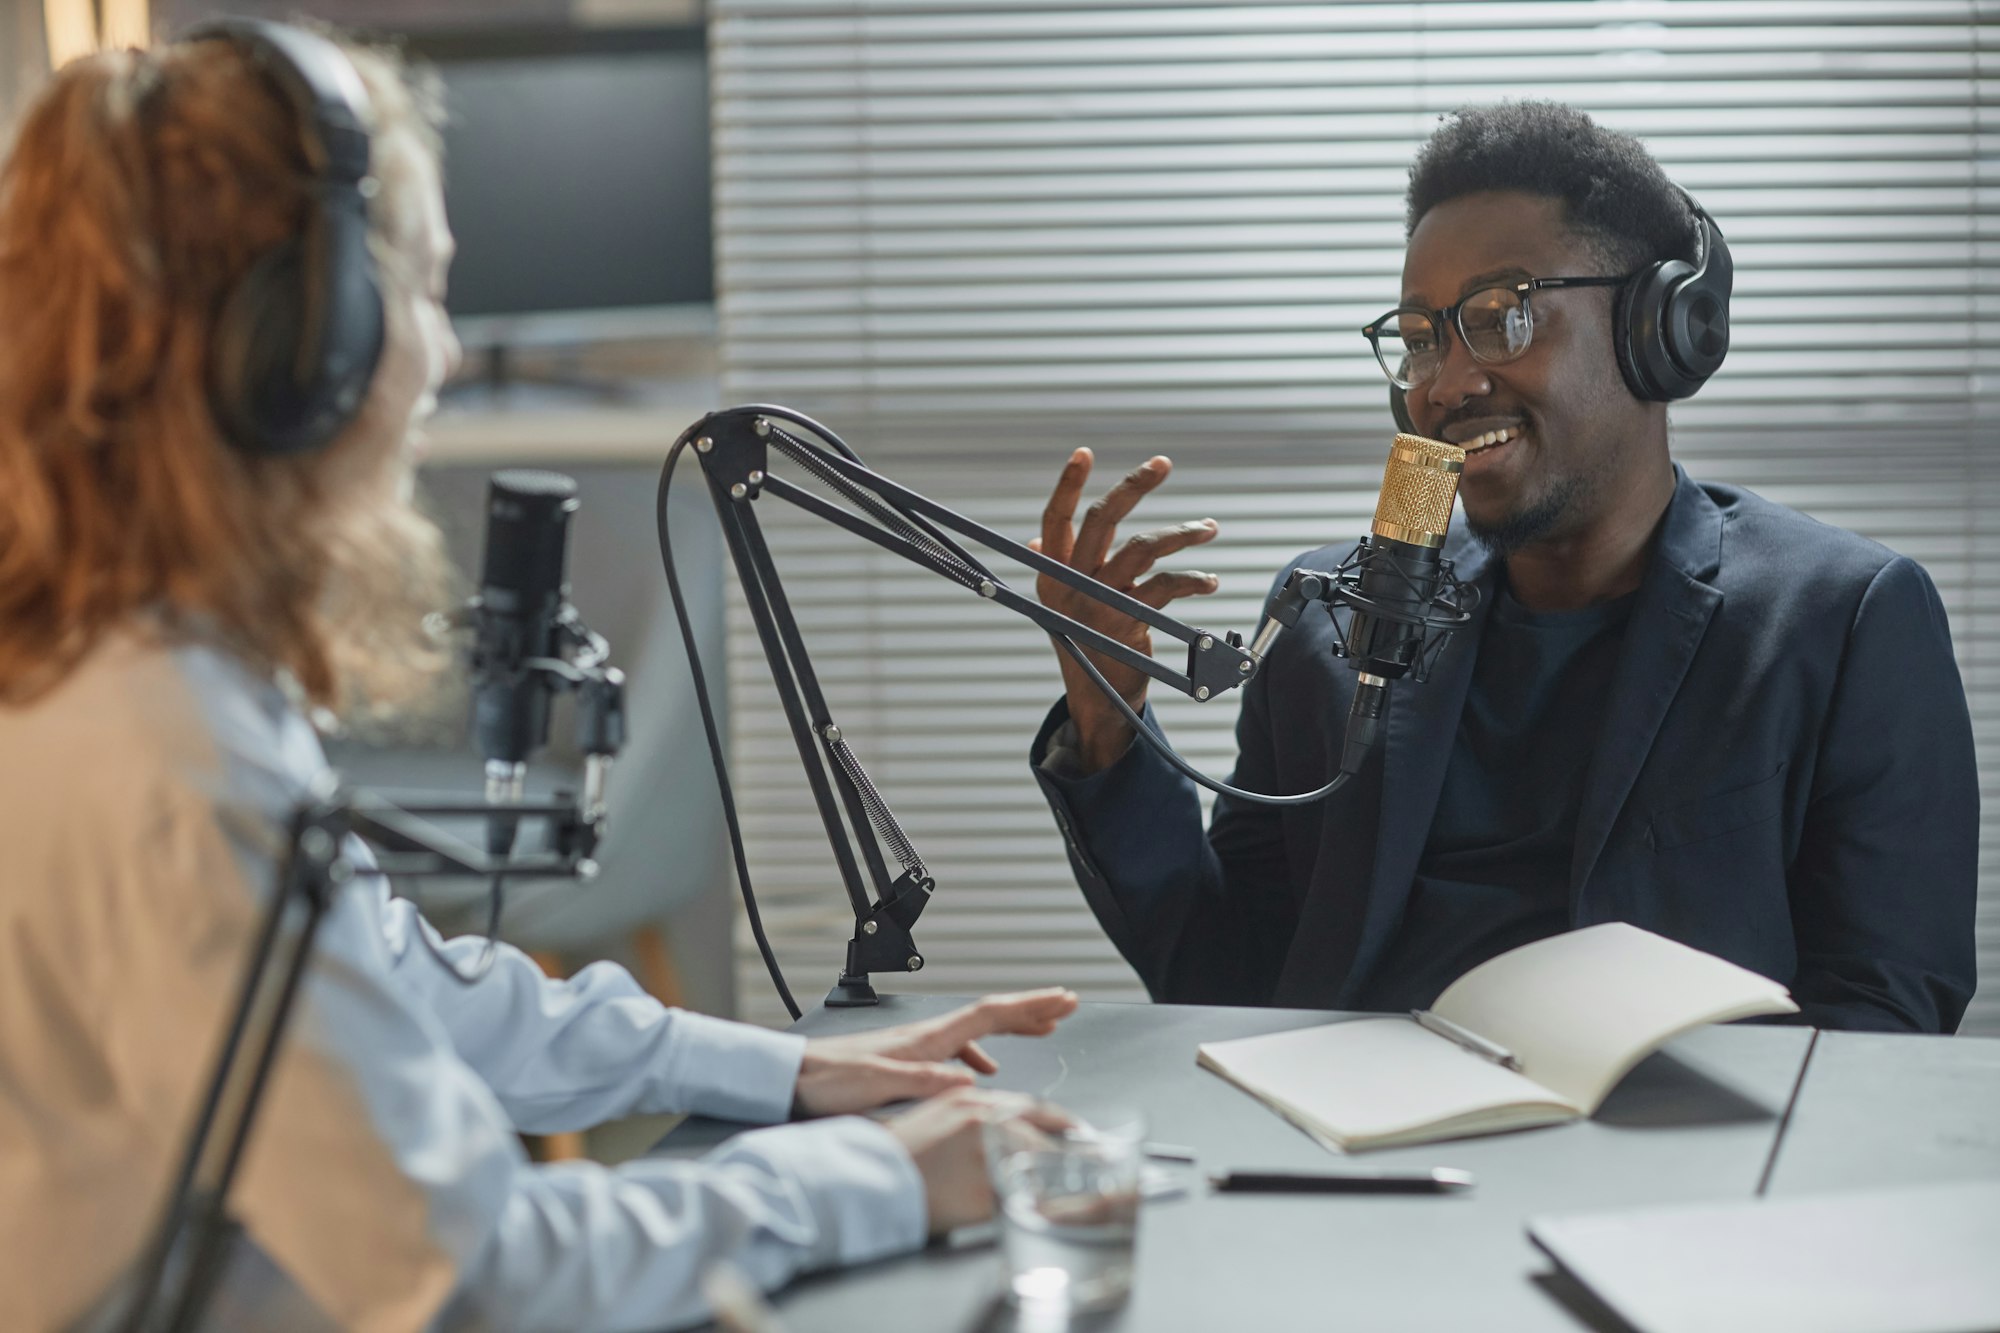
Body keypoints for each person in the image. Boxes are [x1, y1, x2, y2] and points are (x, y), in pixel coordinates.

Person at [0, 23, 1077, 1333]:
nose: (444, 358)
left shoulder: (128, 669)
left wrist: (784, 1069)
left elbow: (405, 989)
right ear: (307, 350)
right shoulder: (172, 768)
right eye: (425, 296)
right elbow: (471, 1271)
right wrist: (879, 1179)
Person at [1026, 101, 1977, 1034]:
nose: (1443, 383)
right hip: (1353, 1151)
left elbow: (1884, 1012)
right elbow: (1229, 976)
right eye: (1420, 337)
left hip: (1663, 1167)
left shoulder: (1841, 620)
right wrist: (1113, 732)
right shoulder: (1330, 619)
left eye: (1502, 316)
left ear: (1658, 330)